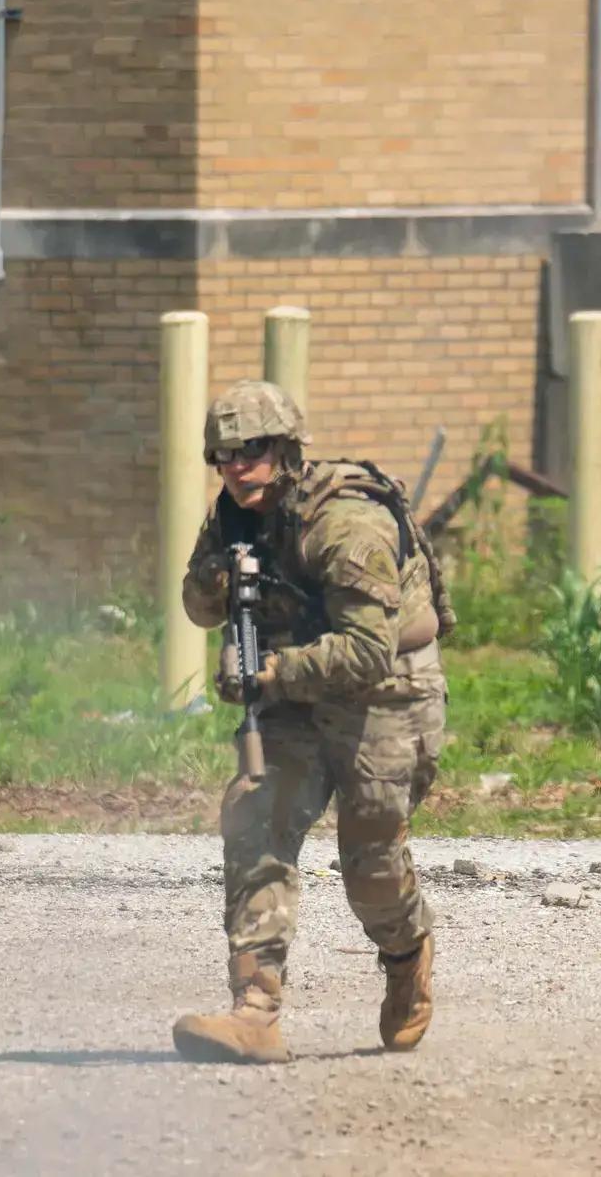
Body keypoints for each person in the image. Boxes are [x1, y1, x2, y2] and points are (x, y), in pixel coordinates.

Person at [169, 380, 448, 1064]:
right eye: (223, 455)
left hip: (385, 693)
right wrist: (223, 585)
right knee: (256, 820)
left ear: (288, 450)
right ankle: (255, 1011)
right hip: (293, 693)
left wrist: (270, 671)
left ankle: (406, 954)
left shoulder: (345, 525)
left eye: (252, 450)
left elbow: (368, 650)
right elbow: (198, 607)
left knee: (371, 864)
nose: (237, 467)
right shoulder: (235, 517)